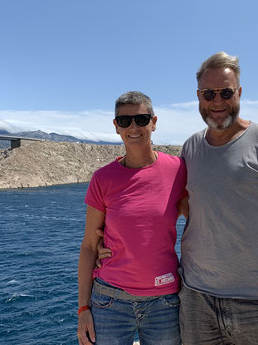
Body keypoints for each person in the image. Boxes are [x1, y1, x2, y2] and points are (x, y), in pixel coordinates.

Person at [178, 51, 258, 344]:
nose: (217, 101)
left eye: (225, 92)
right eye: (209, 93)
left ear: (239, 92)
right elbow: (183, 205)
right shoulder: (190, 148)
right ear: (199, 96)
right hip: (197, 299)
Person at [77, 91, 187, 345]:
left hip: (165, 302)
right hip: (109, 301)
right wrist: (83, 309)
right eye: (125, 121)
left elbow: (202, 221)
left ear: (154, 122)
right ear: (116, 127)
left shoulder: (178, 170)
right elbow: (89, 246)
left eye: (141, 119)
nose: (133, 127)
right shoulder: (103, 179)